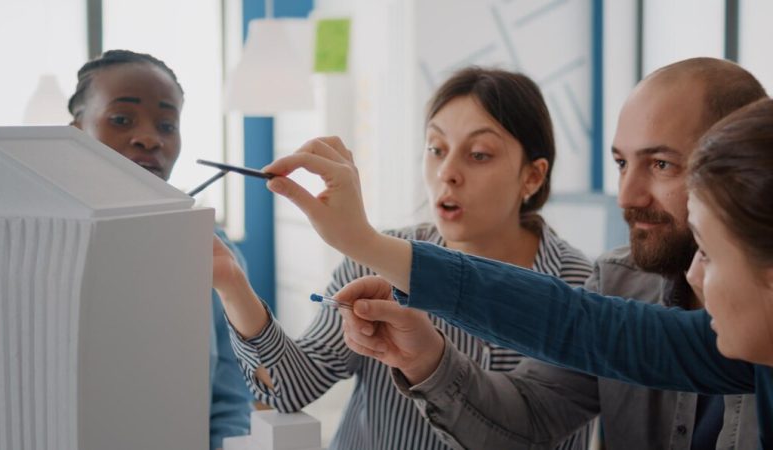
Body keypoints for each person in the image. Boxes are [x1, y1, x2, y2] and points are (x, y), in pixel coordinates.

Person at [261, 75, 773, 445]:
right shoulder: (619, 284)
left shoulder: (578, 276)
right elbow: (569, 336)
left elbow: (570, 322)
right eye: (620, 163)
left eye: (661, 164)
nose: (626, 195)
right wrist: (423, 357)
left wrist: (366, 243)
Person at [213, 67, 594, 449]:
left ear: (532, 177)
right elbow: (288, 390)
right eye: (436, 149)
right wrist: (231, 282)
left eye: (479, 154)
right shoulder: (374, 263)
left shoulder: (582, 288)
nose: (447, 172)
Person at [67, 49, 254, 450]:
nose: (150, 137)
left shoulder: (215, 258)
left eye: (167, 124)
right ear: (75, 131)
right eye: (121, 119)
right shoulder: (36, 249)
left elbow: (230, 398)